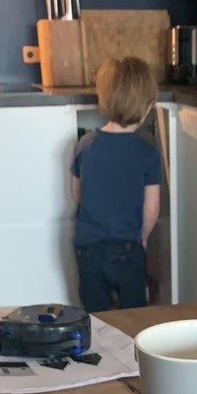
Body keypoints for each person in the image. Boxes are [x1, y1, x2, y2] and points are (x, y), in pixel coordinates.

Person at [70, 56, 161, 311]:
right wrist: (142, 237)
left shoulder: (85, 144)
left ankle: (97, 349)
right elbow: (152, 209)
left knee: (96, 315)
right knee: (133, 315)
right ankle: (129, 350)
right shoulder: (147, 153)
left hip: (86, 247)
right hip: (126, 248)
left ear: (104, 100)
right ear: (147, 107)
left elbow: (77, 193)